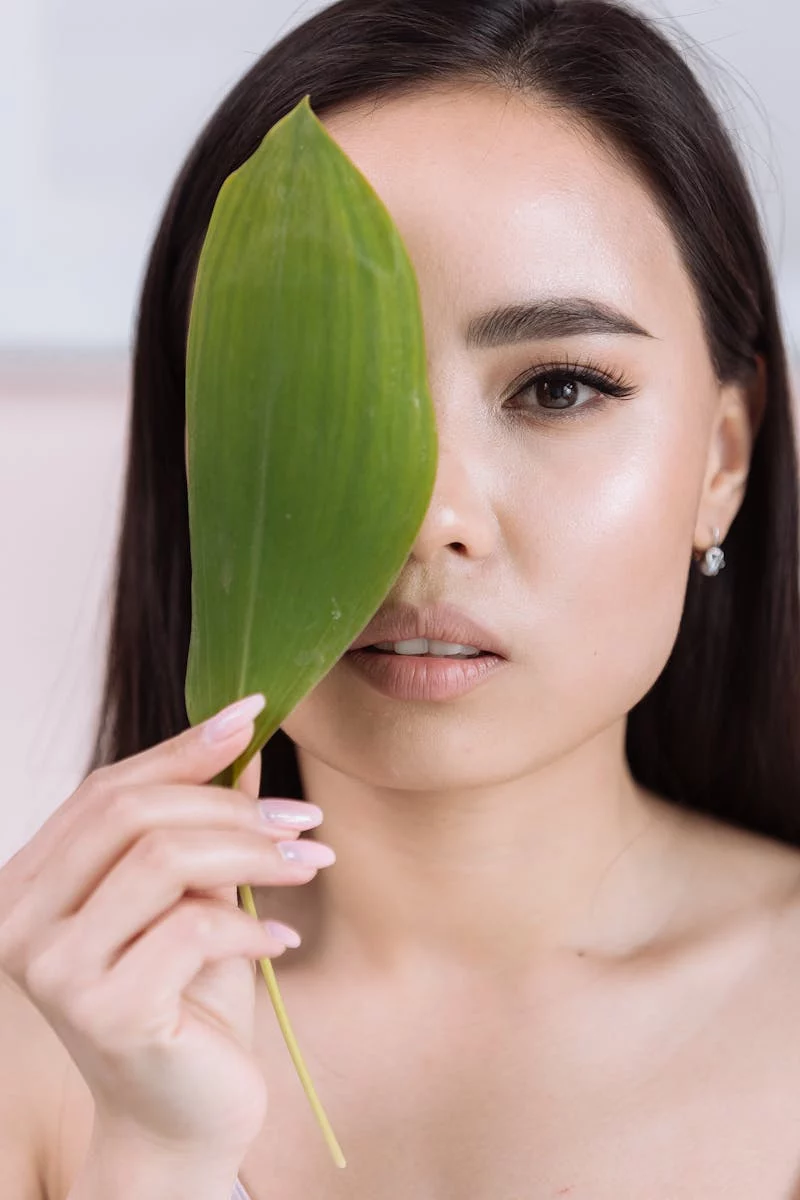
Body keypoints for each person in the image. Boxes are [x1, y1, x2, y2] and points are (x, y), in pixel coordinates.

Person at [2, 0, 800, 1196]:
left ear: (721, 459)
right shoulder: (42, 1044)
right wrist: (158, 1156)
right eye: (316, 399)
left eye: (559, 389)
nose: (428, 521)